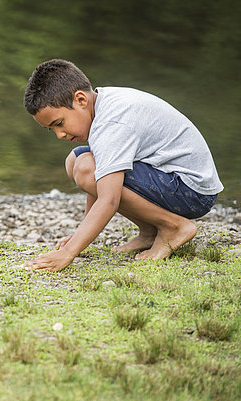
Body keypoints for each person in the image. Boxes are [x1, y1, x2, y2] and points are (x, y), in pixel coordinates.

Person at [22, 59, 223, 272]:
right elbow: (98, 179)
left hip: (192, 191)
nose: (60, 134)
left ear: (80, 99)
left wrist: (68, 252)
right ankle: (149, 232)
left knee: (85, 168)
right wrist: (82, 237)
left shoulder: (112, 124)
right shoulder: (101, 103)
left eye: (59, 123)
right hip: (173, 179)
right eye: (51, 129)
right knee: (76, 160)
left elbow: (109, 199)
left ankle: (173, 227)